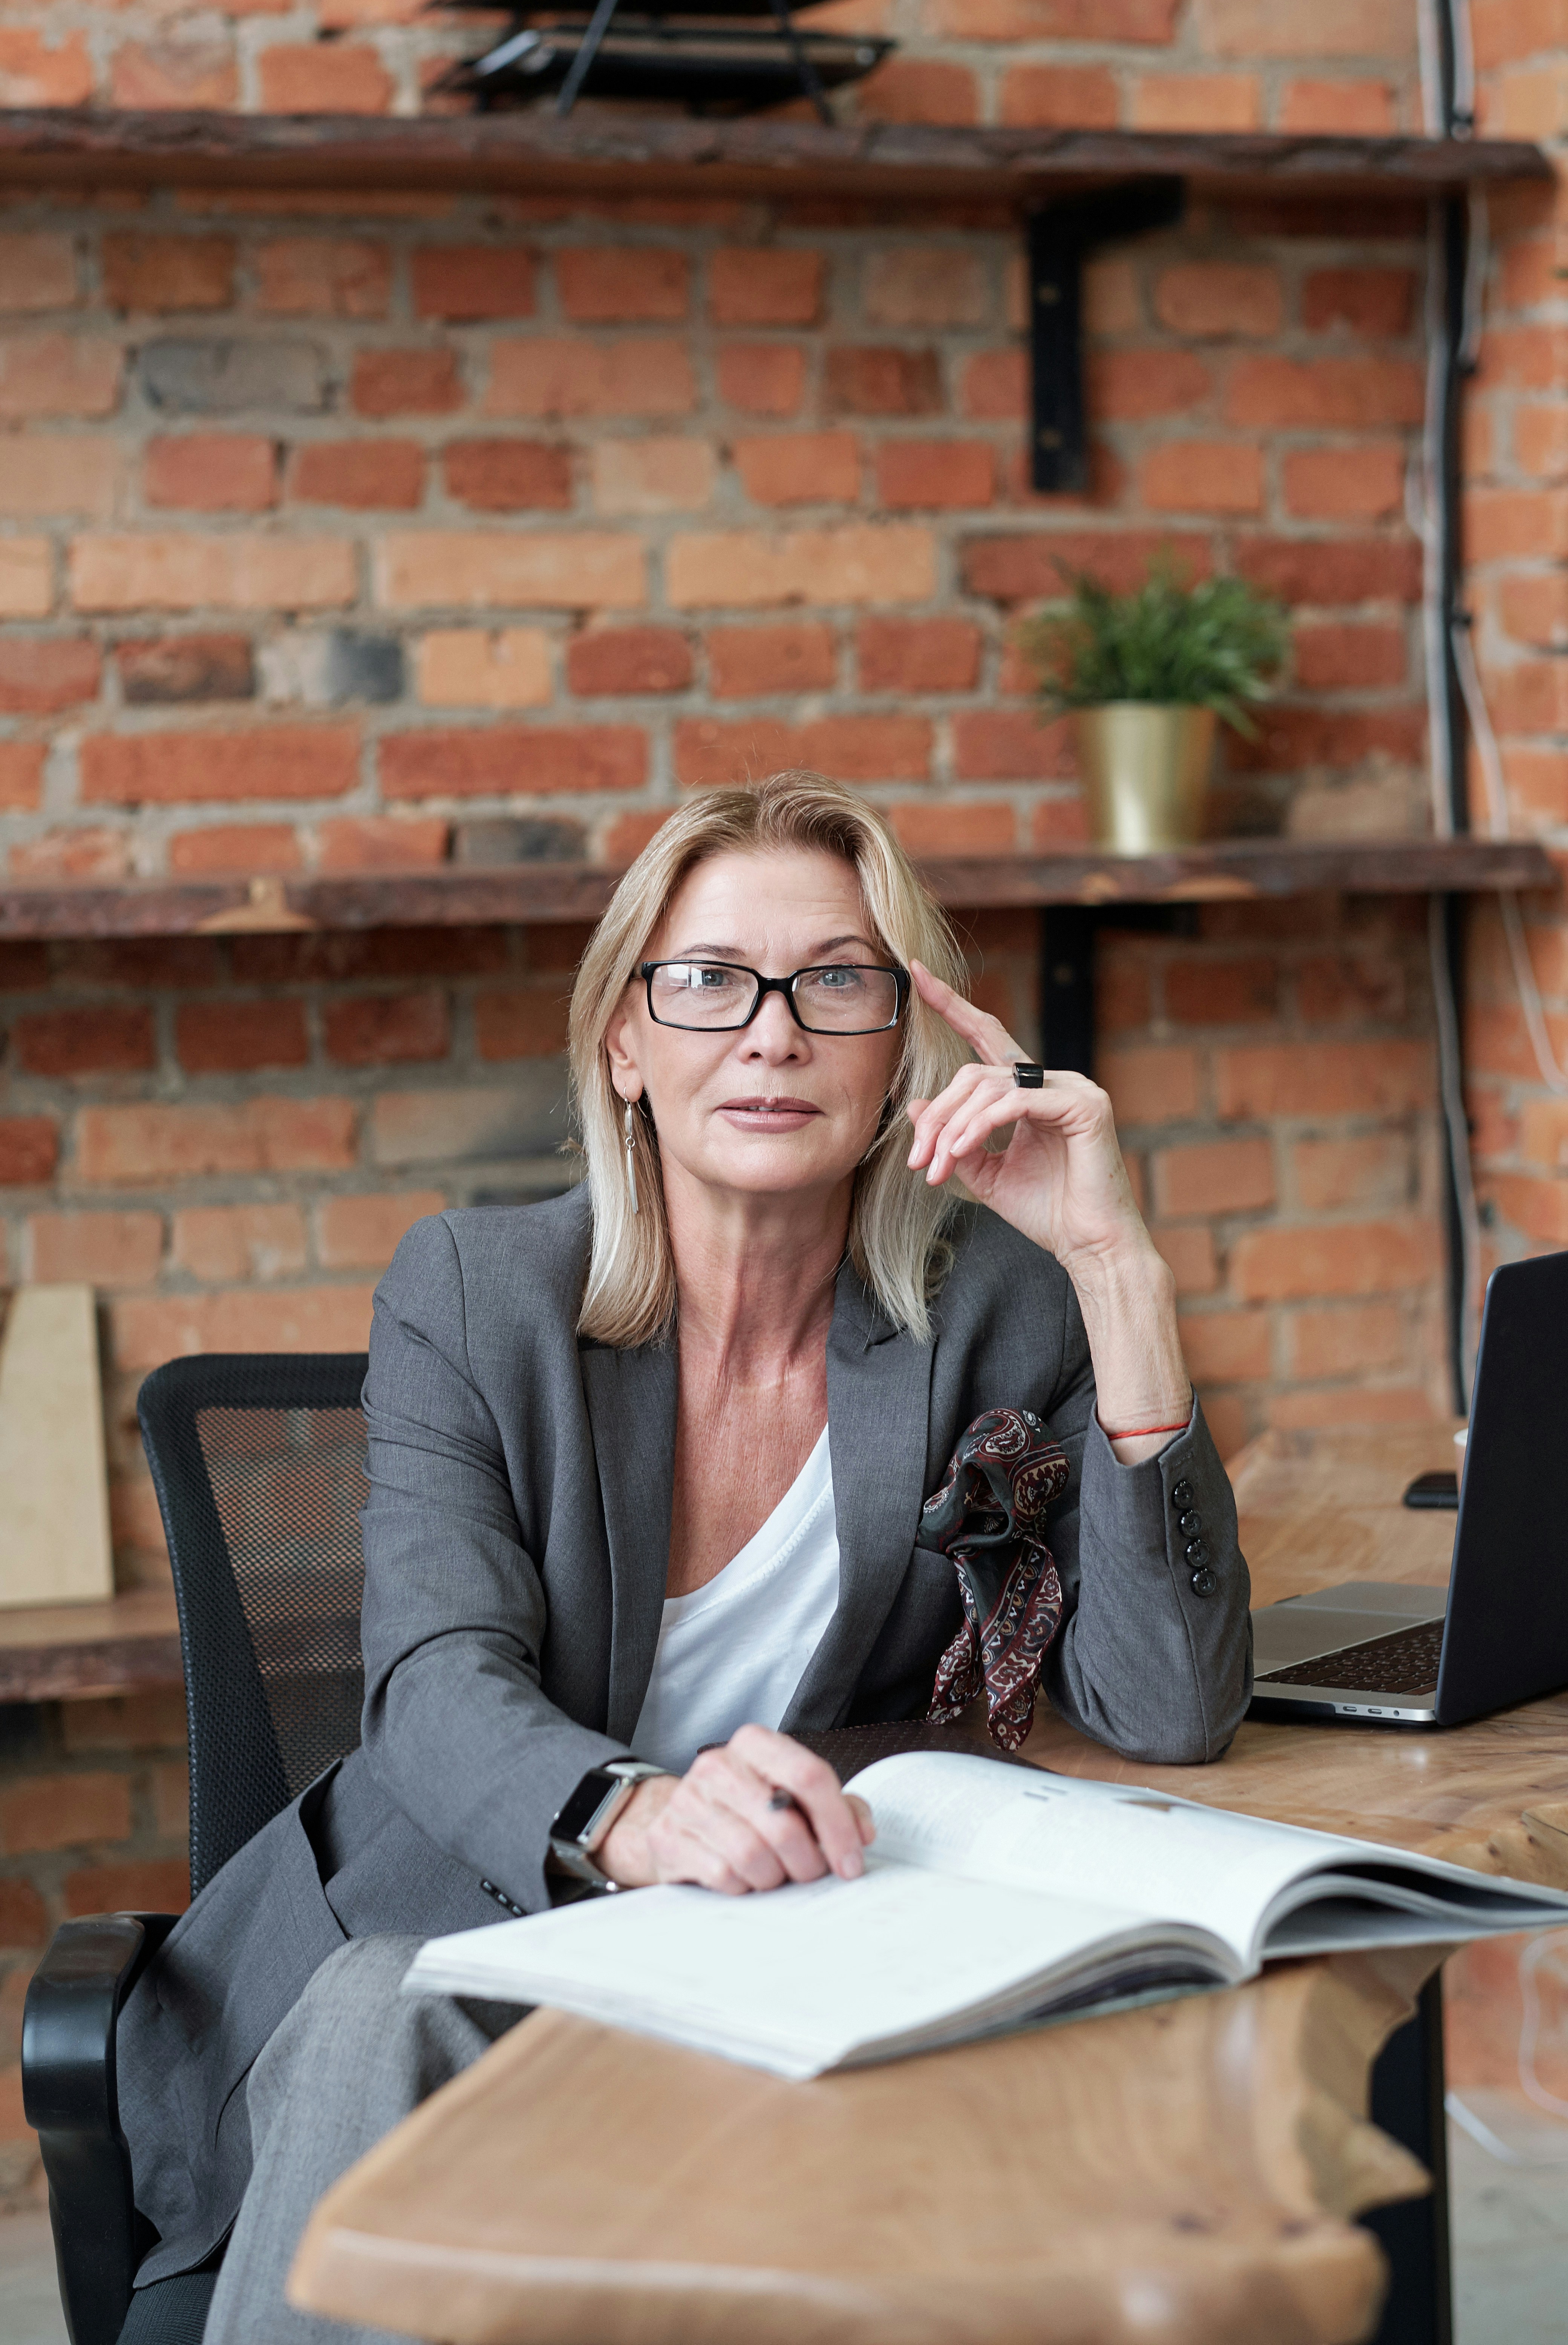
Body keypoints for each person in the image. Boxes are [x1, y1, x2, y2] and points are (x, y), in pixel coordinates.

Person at [116, 771, 1250, 2345]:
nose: (770, 1033)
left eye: (833, 983)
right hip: (444, 1927)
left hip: (772, 1963)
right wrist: (631, 1816)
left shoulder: (1001, 1306)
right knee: (390, 2020)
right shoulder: (473, 1291)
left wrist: (1111, 1265)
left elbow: (1168, 1707)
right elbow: (435, 1684)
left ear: (898, 1048)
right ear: (623, 1045)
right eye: (707, 981)